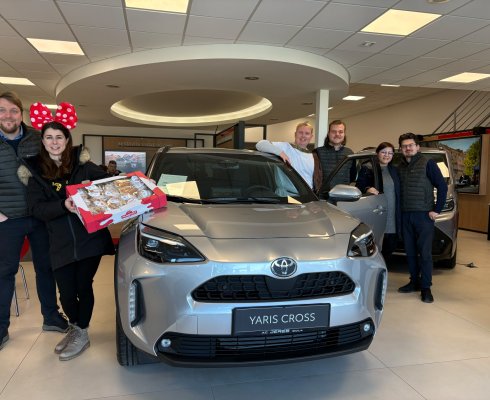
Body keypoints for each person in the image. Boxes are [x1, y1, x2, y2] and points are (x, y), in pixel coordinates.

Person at [18, 108, 115, 360]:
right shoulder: (35, 172)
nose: (54, 142)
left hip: (89, 239)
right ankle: (76, 327)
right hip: (58, 242)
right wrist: (64, 205)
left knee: (84, 286)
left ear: (67, 139)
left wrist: (139, 184)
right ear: (43, 141)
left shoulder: (83, 165)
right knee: (67, 294)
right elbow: (36, 209)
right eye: (49, 137)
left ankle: (81, 332)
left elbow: (109, 184)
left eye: (59, 137)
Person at [0, 92, 67, 351]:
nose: (8, 116)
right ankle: (1, 327)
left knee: (46, 268)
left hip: (40, 216)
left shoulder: (38, 138)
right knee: (5, 272)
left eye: (13, 110)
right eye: (2, 110)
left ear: (21, 113)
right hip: (8, 219)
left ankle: (51, 317)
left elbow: (56, 165)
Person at [396, 132, 448, 303]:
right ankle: (414, 282)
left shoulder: (428, 163)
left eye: (411, 145)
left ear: (417, 147)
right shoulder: (400, 166)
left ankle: (426, 288)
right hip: (406, 215)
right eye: (404, 146)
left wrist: (437, 210)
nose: (408, 148)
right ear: (401, 149)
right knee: (410, 252)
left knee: (424, 253)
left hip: (424, 216)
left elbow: (441, 186)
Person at [356, 142, 401, 261]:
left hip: (392, 214)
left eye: (390, 153)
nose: (387, 155)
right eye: (383, 152)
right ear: (377, 153)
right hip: (376, 211)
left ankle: (384, 265)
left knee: (390, 244)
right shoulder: (368, 168)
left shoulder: (394, 170)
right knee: (375, 245)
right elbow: (359, 185)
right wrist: (367, 188)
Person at [256, 122, 315, 189]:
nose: (303, 136)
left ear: (311, 137)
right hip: (286, 193)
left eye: (307, 133)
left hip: (308, 193)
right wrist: (281, 153)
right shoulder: (285, 147)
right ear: (295, 134)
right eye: (300, 132)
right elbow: (260, 144)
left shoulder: (313, 157)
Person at [313, 120, 354, 197]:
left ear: (344, 134)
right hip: (323, 198)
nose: (337, 134)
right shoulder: (317, 152)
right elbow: (314, 178)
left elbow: (352, 175)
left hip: (344, 197)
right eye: (334, 132)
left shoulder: (350, 153)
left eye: (340, 132)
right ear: (328, 134)